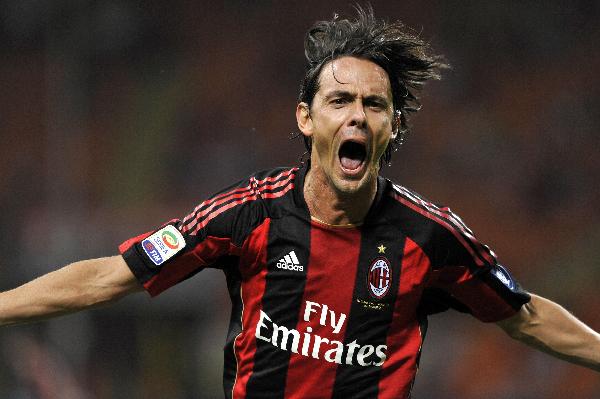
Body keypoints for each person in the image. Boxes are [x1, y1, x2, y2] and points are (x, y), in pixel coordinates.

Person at [1, 6, 599, 399]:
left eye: (375, 104)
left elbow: (525, 315)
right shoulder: (249, 214)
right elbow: (111, 276)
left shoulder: (430, 236)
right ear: (306, 118)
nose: (357, 115)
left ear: (393, 127)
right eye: (340, 100)